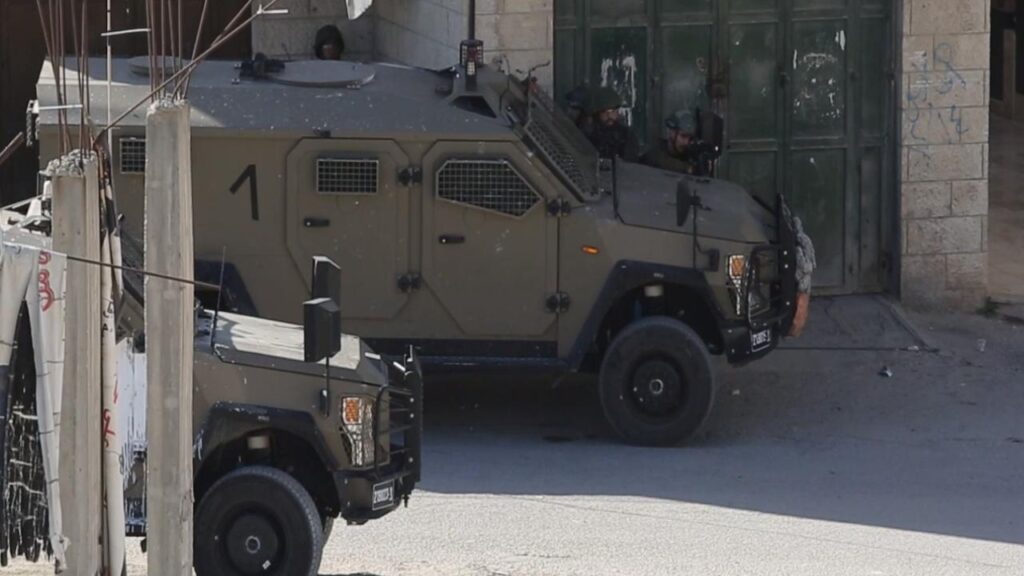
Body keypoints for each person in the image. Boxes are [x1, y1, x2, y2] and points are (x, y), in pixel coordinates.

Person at [585, 87, 640, 162]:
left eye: (613, 111)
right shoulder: (589, 134)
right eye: (605, 112)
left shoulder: (626, 135)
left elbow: (630, 163)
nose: (609, 116)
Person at [641, 110, 700, 175]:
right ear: (672, 132)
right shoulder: (655, 153)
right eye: (683, 136)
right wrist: (689, 169)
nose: (686, 142)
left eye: (690, 138)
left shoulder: (689, 155)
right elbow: (661, 160)